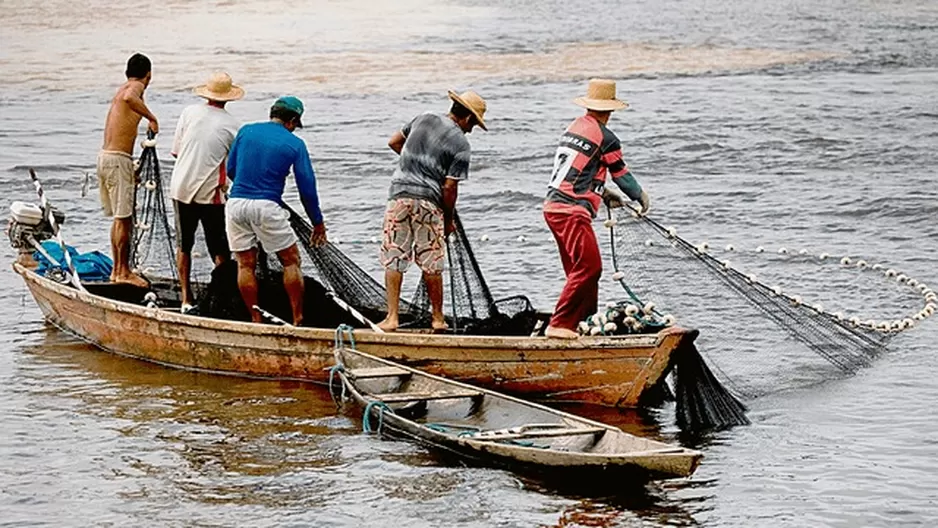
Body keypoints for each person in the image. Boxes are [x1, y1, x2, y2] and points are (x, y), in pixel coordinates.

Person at [543, 79, 651, 339]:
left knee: (578, 271)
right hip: (573, 211)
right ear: (610, 110)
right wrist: (640, 196)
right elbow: (621, 174)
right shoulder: (606, 137)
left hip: (553, 207)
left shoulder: (575, 127)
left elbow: (580, 169)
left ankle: (584, 321)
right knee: (590, 269)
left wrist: (603, 194)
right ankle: (558, 325)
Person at [378, 90, 487, 332]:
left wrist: (414, 162)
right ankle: (437, 319)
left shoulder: (423, 118)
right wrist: (448, 219)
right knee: (431, 262)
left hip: (399, 197)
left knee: (394, 257)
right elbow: (449, 188)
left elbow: (394, 142)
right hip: (428, 203)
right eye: (474, 125)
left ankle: (392, 318)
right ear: (468, 118)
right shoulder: (461, 144)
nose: (471, 130)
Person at [225, 96, 327, 325]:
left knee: (245, 264)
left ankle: (255, 318)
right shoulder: (295, 144)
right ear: (292, 120)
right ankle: (297, 318)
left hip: (235, 203)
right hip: (267, 206)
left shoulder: (246, 131)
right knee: (291, 261)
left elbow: (231, 169)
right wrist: (317, 222)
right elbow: (307, 188)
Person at [169, 72, 244, 312]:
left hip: (180, 187)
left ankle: (185, 299)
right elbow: (233, 166)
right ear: (228, 98)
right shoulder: (233, 125)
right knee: (220, 249)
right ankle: (220, 298)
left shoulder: (189, 113)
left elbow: (177, 152)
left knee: (184, 245)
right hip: (210, 194)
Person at [97, 52, 158, 287]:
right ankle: (123, 272)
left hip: (106, 157)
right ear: (148, 75)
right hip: (116, 160)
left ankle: (117, 271)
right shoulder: (134, 88)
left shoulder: (121, 88)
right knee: (124, 219)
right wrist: (152, 118)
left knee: (120, 219)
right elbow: (130, 99)